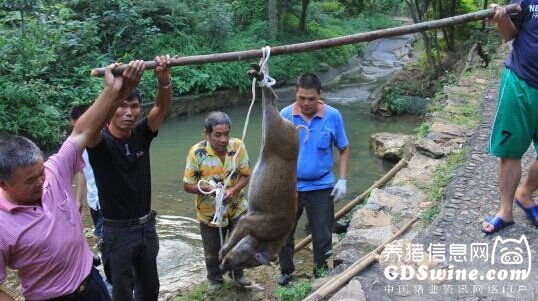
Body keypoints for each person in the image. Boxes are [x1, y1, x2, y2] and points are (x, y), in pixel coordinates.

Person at [0, 60, 142, 300]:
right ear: (3, 184)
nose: (40, 182)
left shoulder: (53, 172)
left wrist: (116, 90)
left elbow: (83, 131)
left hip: (91, 284)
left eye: (40, 173)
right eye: (29, 181)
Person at [86, 55, 172, 300]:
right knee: (122, 291)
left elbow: (162, 108)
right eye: (122, 106)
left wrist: (163, 81)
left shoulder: (141, 135)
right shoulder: (99, 141)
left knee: (149, 289)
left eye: (134, 107)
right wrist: (114, 90)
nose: (129, 113)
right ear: (112, 110)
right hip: (116, 231)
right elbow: (92, 124)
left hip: (146, 227)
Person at [277, 73, 350, 285]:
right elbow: (275, 153)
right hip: (291, 187)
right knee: (285, 232)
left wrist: (342, 179)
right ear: (296, 94)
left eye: (311, 98)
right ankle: (286, 272)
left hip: (321, 185)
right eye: (301, 98)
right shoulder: (285, 115)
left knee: (322, 234)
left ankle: (320, 275)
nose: (306, 103)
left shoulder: (332, 116)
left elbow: (343, 148)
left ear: (320, 95)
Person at [483, 2, 538, 234]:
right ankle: (505, 211)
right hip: (520, 81)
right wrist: (502, 18)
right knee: (510, 150)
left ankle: (525, 194)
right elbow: (509, 35)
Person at [183, 111, 252, 290]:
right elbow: (187, 185)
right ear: (206, 134)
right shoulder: (196, 153)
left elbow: (246, 175)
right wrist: (208, 190)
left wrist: (232, 190)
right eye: (218, 135)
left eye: (226, 134)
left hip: (237, 206)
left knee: (240, 243)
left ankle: (238, 273)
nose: (223, 139)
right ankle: (215, 280)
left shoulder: (238, 146)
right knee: (212, 250)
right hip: (209, 211)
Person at [70, 104, 104, 243]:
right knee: (103, 240)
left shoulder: (105, 140)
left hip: (108, 200)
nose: (76, 129)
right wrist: (78, 201)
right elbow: (83, 173)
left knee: (99, 237)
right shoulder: (80, 145)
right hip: (93, 200)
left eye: (78, 125)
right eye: (74, 126)